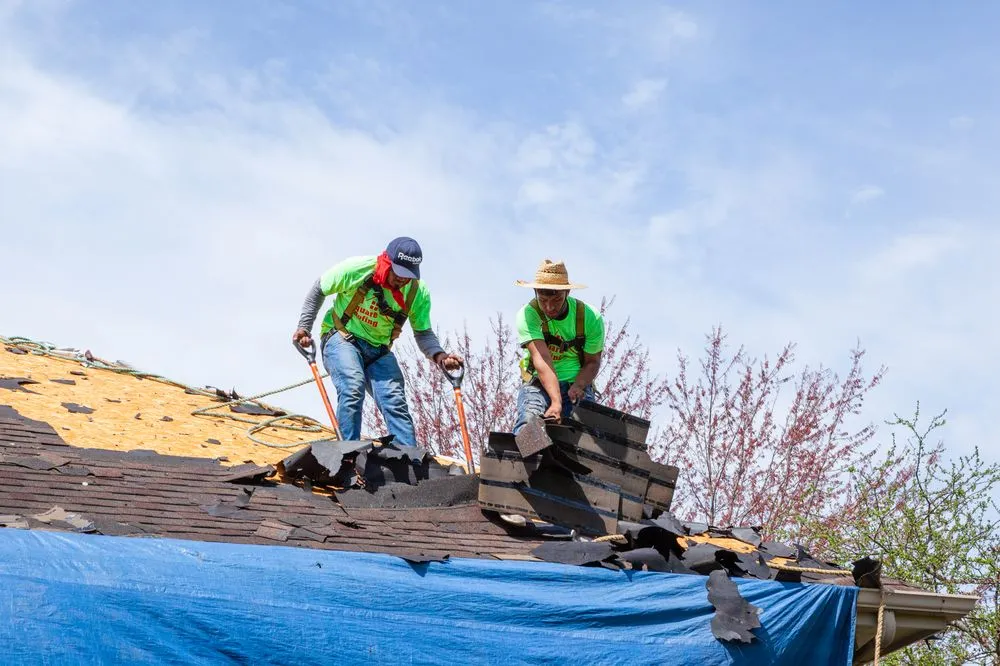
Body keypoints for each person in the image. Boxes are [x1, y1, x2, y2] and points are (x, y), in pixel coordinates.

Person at [292, 237, 462, 448]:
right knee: (352, 387)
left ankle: (410, 463)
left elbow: (423, 332)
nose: (402, 280)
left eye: (408, 276)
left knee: (395, 401)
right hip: (342, 337)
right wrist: (304, 327)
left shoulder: (417, 292)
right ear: (387, 261)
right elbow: (319, 288)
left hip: (379, 351)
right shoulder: (358, 269)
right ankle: (347, 453)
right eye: (398, 273)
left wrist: (440, 356)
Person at [512, 259, 605, 433]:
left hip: (576, 382)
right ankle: (527, 457)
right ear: (535, 292)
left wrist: (579, 385)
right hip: (538, 382)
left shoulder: (590, 317)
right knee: (529, 425)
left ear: (567, 292)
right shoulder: (528, 315)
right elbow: (542, 360)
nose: (549, 307)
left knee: (588, 432)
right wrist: (556, 402)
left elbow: (592, 361)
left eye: (556, 300)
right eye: (543, 299)